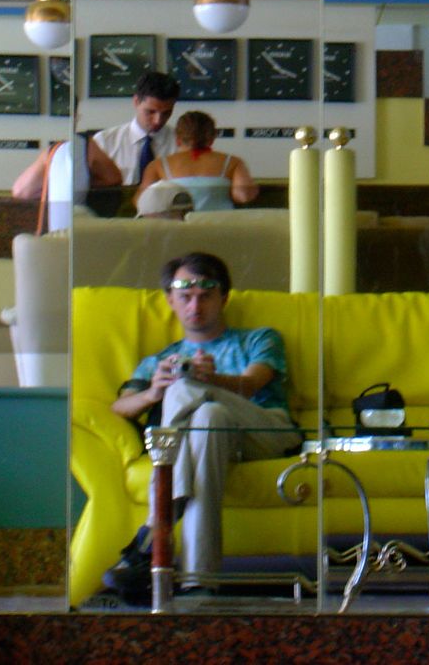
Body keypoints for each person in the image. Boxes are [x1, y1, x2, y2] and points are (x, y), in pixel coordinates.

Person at [103, 252, 299, 602]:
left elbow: (253, 383)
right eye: (186, 296)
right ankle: (199, 583)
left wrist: (210, 380)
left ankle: (155, 526)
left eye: (206, 295)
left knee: (188, 391)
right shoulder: (160, 360)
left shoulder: (259, 339)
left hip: (266, 431)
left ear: (223, 298)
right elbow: (120, 407)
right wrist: (154, 392)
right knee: (209, 416)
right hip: (211, 440)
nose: (195, 306)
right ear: (170, 300)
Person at [133, 110, 258, 214]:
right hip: (219, 228)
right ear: (212, 137)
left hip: (176, 230)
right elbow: (244, 196)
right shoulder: (232, 162)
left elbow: (140, 201)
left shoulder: (158, 165)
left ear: (177, 138)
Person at [10, 122, 121, 233]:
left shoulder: (62, 149)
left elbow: (21, 191)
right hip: (84, 229)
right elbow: (113, 178)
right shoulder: (85, 145)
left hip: (59, 232)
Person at [93, 71, 180, 186]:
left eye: (166, 113)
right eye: (151, 112)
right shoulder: (104, 142)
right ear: (136, 102)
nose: (158, 120)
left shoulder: (182, 143)